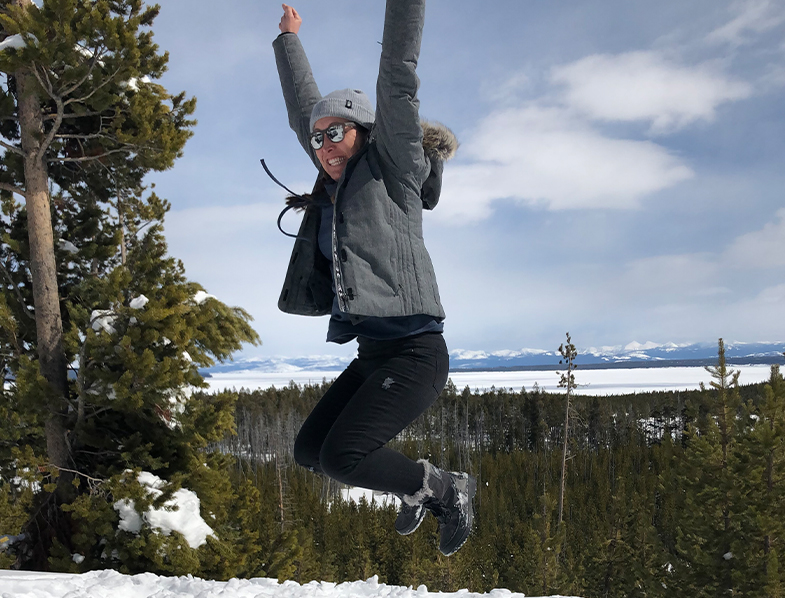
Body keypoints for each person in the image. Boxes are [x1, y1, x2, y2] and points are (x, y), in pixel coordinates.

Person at [272, 0, 474, 556]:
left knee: (344, 458)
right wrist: (288, 40)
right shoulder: (332, 188)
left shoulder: (396, 170)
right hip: (372, 355)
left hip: (415, 352)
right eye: (317, 140)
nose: (323, 146)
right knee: (310, 451)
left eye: (334, 132)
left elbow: (398, 76)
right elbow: (301, 111)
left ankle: (443, 488)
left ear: (365, 130)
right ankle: (416, 490)